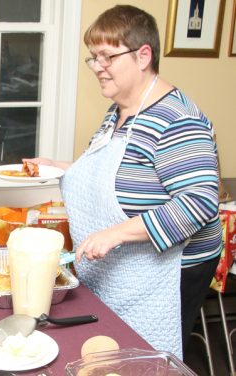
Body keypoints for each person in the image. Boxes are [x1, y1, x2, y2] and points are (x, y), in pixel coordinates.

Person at [26, 5, 221, 358]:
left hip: (168, 273)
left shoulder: (177, 120)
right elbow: (121, 173)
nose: (97, 67)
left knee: (146, 358)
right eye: (93, 58)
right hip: (127, 267)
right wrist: (58, 167)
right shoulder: (120, 109)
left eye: (107, 57)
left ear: (143, 55)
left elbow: (199, 203)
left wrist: (115, 233)